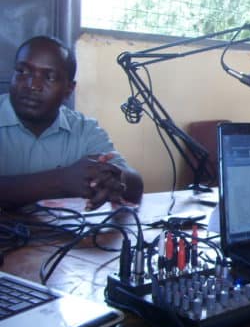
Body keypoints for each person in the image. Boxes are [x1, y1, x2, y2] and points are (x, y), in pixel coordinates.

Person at [0, 35, 143, 211]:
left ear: (69, 89)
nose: (32, 85)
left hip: (61, 237)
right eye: (23, 71)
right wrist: (60, 181)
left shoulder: (85, 130)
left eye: (49, 77)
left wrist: (111, 179)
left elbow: (135, 186)